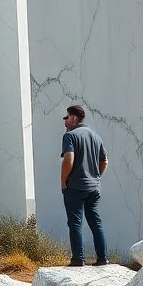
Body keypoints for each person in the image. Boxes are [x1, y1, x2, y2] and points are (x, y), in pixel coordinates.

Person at [60, 104, 109, 267]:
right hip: (94, 187)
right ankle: (103, 258)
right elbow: (104, 161)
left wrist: (63, 180)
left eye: (66, 118)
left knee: (75, 223)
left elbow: (69, 159)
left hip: (75, 187)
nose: (65, 121)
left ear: (73, 118)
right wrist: (95, 177)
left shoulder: (70, 136)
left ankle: (78, 259)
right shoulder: (95, 136)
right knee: (95, 222)